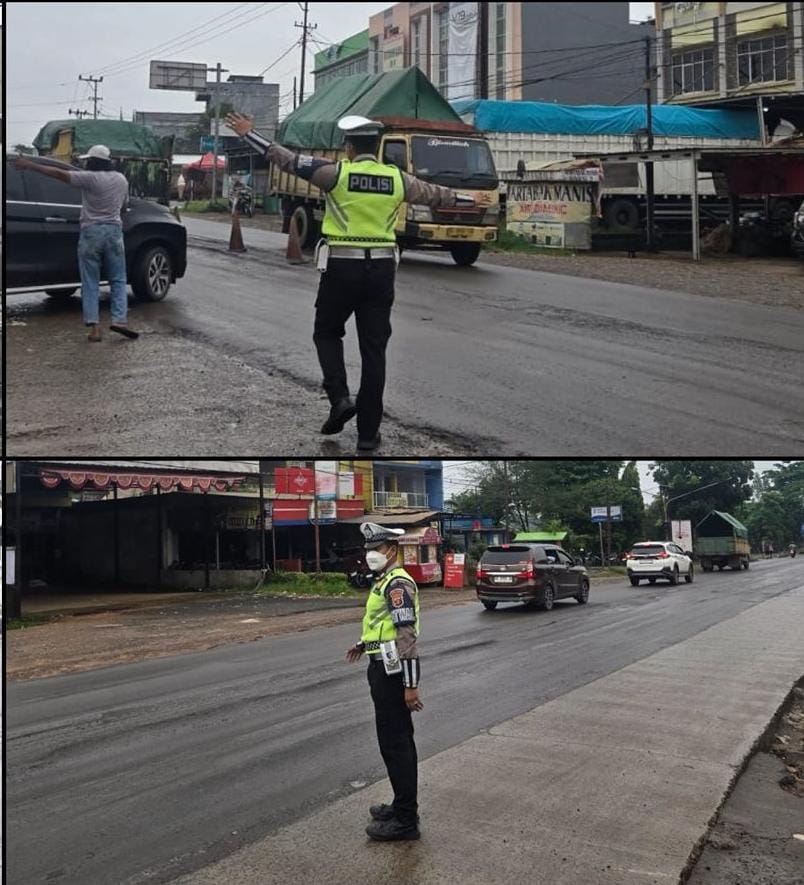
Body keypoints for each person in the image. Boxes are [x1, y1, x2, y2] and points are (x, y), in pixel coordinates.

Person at [225, 111, 470, 451]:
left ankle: (340, 398)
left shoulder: (336, 174)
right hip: (383, 271)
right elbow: (437, 194)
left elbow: (285, 159)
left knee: (326, 331)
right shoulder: (397, 179)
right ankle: (368, 435)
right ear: (378, 146)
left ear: (350, 147)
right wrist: (469, 199)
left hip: (342, 267)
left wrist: (249, 134)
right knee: (374, 351)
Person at [346, 522, 422, 841]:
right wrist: (364, 644)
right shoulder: (385, 581)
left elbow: (406, 633)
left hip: (393, 674)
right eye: (368, 550)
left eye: (375, 549)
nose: (370, 555)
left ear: (391, 550)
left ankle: (406, 821)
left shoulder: (396, 584)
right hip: (382, 666)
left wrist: (410, 684)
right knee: (394, 744)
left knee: (396, 745)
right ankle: (402, 804)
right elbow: (382, 625)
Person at [15, 145, 138, 342]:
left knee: (90, 282)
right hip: (114, 232)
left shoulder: (89, 178)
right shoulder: (121, 179)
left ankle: (95, 328)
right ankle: (120, 321)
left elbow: (57, 173)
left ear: (93, 162)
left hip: (91, 233)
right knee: (118, 279)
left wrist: (29, 165)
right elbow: (123, 206)